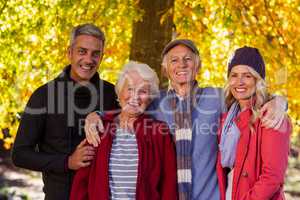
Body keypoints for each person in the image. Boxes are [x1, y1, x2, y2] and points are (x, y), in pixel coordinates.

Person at [84, 39, 287, 200]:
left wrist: (279, 101)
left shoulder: (217, 98)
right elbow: (128, 108)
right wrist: (96, 115)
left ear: (197, 65)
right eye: (174, 60)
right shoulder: (156, 102)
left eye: (188, 59)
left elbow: (251, 97)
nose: (181, 64)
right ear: (166, 69)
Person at [11, 23, 119, 200]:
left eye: (95, 53)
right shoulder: (44, 96)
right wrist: (67, 162)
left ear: (102, 57)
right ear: (69, 52)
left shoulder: (113, 95)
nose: (88, 59)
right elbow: (20, 154)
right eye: (82, 51)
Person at [70, 61, 178, 200]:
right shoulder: (99, 128)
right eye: (130, 89)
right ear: (120, 91)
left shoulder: (160, 133)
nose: (135, 96)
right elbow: (81, 183)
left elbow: (169, 184)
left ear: (150, 98)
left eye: (143, 91)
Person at [216, 46, 291, 200]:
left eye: (247, 76)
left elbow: (272, 178)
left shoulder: (271, 116)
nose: (239, 82)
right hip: (232, 193)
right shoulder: (229, 115)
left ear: (258, 80)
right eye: (234, 75)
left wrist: (280, 101)